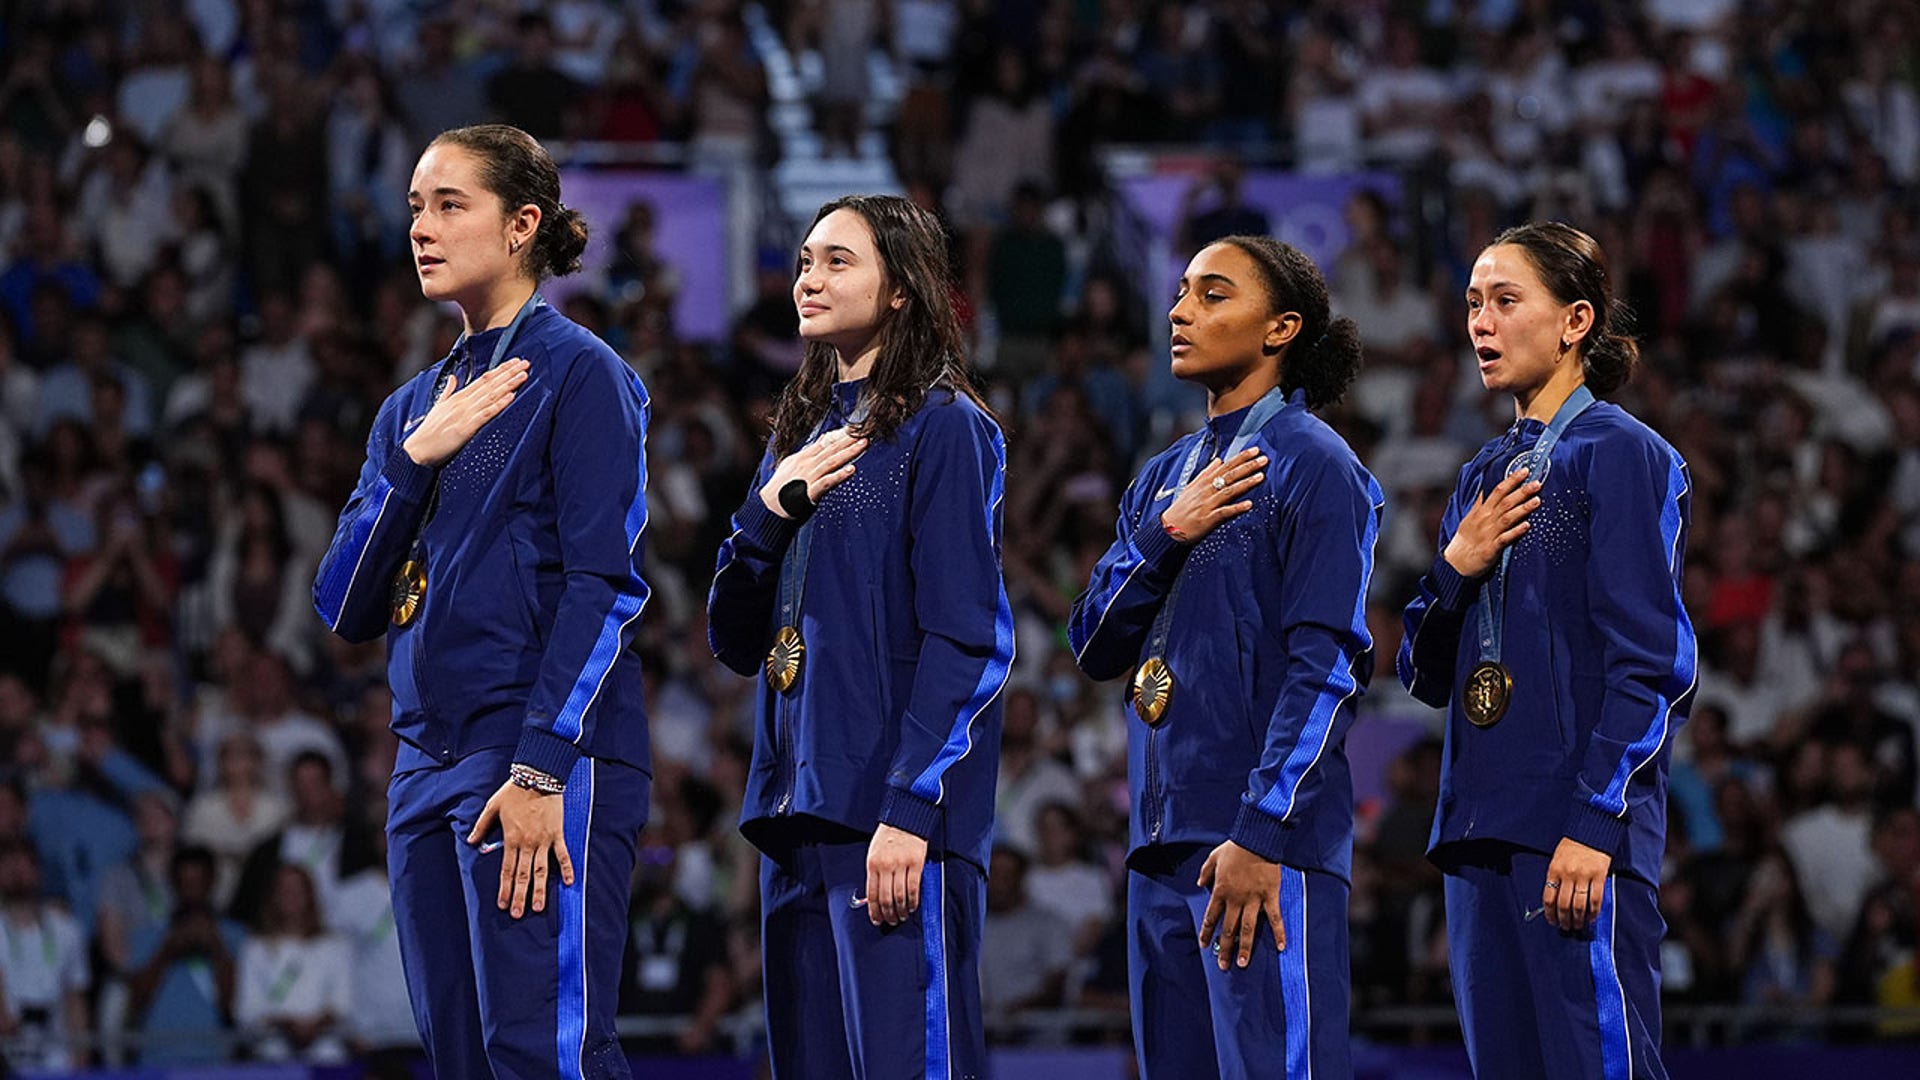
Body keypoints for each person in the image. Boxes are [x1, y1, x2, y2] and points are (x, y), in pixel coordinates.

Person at [312, 124, 652, 1080]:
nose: (421, 226)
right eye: (416, 205)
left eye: (449, 204)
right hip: (424, 761)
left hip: (535, 753)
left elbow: (607, 582)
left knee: (542, 1052)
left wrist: (545, 765)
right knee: (460, 1058)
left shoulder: (584, 374)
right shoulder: (409, 408)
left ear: (522, 225)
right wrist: (411, 464)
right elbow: (343, 603)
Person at [707, 193, 1011, 1078]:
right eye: (806, 260)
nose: (810, 277)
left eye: (838, 261)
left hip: (888, 819)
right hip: (793, 813)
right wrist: (766, 510)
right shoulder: (799, 435)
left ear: (902, 291)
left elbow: (971, 640)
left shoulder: (946, 428)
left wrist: (911, 807)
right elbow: (731, 635)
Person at [1069, 234, 1379, 1080]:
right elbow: (1093, 643)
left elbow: (1328, 669)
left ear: (1279, 329)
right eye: (1180, 293)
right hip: (1161, 848)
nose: (1178, 311)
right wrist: (1166, 532)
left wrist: (1261, 831)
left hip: (1257, 848)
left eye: (1212, 295)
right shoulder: (1163, 476)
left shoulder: (1318, 465)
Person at [1397, 222, 1694, 1079]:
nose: (1480, 323)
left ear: (1574, 321)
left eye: (1504, 300)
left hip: (1573, 833)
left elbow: (1656, 665)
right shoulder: (1478, 476)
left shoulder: (1625, 454)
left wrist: (1595, 822)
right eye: (1472, 304)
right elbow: (1422, 670)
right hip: (1476, 833)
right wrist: (1455, 565)